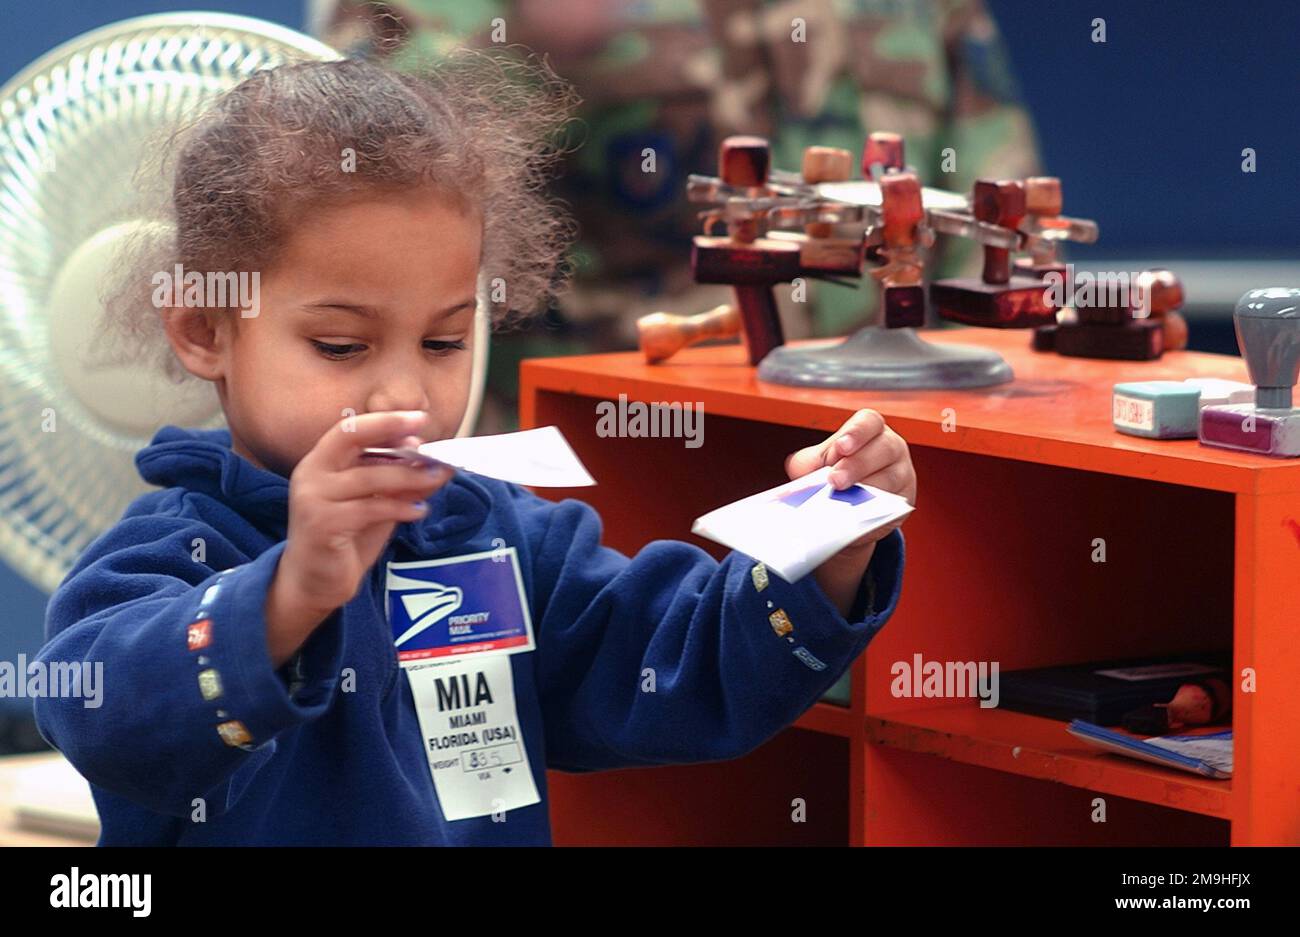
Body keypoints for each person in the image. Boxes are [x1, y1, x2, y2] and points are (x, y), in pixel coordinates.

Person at [32, 54, 914, 845]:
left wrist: (829, 552)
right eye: (341, 346)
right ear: (202, 328)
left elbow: (680, 669)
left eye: (445, 341)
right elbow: (104, 711)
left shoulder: (496, 532)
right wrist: (289, 594)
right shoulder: (169, 555)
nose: (405, 395)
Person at [318, 0, 1043, 431]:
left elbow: (990, 183)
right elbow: (362, 183)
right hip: (594, 469)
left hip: (883, 451)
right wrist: (528, 40)